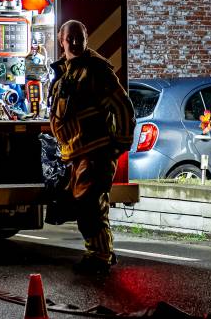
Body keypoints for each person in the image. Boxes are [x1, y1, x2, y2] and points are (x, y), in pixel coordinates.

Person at [49, 19, 134, 275]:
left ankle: (99, 257)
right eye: (70, 38)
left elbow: (122, 106)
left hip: (95, 151)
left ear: (87, 39)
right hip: (77, 152)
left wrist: (120, 143)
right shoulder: (68, 70)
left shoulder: (96, 70)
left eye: (79, 38)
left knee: (89, 204)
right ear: (61, 41)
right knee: (89, 204)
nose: (75, 42)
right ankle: (102, 251)